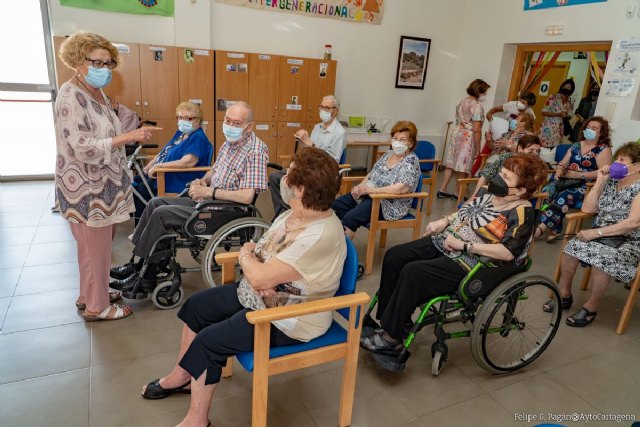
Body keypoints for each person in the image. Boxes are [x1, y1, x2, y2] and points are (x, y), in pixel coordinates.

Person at [140, 148, 346, 427]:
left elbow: (258, 266)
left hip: (292, 318)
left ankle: (197, 421)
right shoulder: (292, 215)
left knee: (209, 342)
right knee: (196, 308)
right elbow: (260, 258)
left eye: (289, 176)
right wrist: (257, 269)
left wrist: (250, 262)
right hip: (262, 295)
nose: (282, 180)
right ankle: (182, 376)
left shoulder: (321, 234)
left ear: (300, 189)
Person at [360, 154, 548, 353]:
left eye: (506, 178)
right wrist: (444, 221)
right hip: (448, 241)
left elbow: (508, 252)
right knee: (395, 256)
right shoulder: (489, 193)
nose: (498, 179)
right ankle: (396, 320)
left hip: (473, 263)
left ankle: (391, 338)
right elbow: (464, 212)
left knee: (413, 272)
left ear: (521, 190)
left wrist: (464, 245)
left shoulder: (521, 213)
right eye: (501, 173)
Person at [55, 31, 161, 321]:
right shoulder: (71, 97)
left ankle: (90, 292)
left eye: (108, 64)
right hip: (87, 188)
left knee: (95, 248)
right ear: (78, 61)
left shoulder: (96, 93)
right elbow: (82, 147)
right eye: (97, 63)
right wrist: (128, 136)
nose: (104, 69)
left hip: (104, 186)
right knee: (94, 247)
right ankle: (97, 306)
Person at [109, 101, 268, 295]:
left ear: (249, 126)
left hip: (225, 210)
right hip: (208, 201)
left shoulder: (256, 151)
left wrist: (210, 192)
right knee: (154, 203)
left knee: (162, 214)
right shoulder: (230, 143)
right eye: (228, 121)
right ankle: (138, 264)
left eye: (237, 123)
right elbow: (215, 171)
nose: (230, 126)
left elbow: (246, 196)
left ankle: (146, 277)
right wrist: (202, 181)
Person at [545, 142, 640, 327]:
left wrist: (596, 232)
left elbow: (633, 223)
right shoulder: (612, 181)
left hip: (627, 240)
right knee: (571, 248)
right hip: (600, 234)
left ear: (637, 166)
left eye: (622, 160)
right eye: (616, 159)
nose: (616, 163)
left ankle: (591, 307)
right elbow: (588, 208)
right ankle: (564, 295)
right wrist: (599, 182)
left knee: (601, 259)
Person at [332, 120, 421, 239]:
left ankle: (342, 252)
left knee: (350, 218)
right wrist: (360, 187)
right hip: (369, 195)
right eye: (395, 138)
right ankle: (335, 239)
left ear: (411, 143)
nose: (397, 142)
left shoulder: (411, 160)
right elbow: (371, 174)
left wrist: (370, 191)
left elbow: (401, 189)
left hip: (389, 203)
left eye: (402, 140)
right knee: (336, 206)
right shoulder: (388, 154)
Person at [132, 101, 213, 223]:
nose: (183, 121)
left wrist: (160, 166)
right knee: (135, 185)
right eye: (180, 117)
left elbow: (188, 162)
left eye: (188, 118)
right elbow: (165, 150)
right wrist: (152, 163)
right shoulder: (181, 133)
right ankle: (143, 227)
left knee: (141, 190)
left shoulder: (198, 137)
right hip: (161, 172)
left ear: (198, 120)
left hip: (176, 178)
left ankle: (142, 227)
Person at [536, 116, 613, 242]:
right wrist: (560, 169)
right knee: (547, 191)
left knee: (563, 196)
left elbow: (603, 172)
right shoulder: (576, 145)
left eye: (594, 128)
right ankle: (556, 228)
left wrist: (579, 175)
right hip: (566, 180)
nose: (590, 129)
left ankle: (539, 229)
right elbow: (563, 163)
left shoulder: (603, 149)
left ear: (601, 132)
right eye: (588, 127)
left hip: (587, 187)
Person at [269, 95, 346, 218]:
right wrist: (302, 142)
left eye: (327, 108)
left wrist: (311, 143)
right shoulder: (317, 127)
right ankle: (283, 212)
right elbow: (309, 151)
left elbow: (332, 161)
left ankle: (293, 211)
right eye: (321, 107)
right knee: (274, 177)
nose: (322, 110)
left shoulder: (339, 132)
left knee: (289, 179)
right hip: (308, 167)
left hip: (321, 172)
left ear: (335, 111)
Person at [438, 79, 490, 199]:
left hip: (456, 132)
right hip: (467, 136)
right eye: (484, 92)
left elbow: (458, 118)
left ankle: (442, 189)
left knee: (451, 163)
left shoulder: (462, 101)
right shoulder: (477, 106)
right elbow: (476, 129)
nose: (485, 95)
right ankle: (457, 193)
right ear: (479, 91)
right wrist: (478, 148)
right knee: (464, 166)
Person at [470, 134, 542, 199]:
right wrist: (474, 196)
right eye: (531, 150)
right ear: (520, 149)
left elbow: (534, 191)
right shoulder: (503, 158)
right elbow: (485, 177)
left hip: (518, 200)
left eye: (537, 151)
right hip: (494, 195)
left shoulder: (536, 167)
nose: (535, 154)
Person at [539, 79, 575, 149]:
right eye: (565, 86)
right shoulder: (553, 97)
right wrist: (558, 114)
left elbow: (570, 115)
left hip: (560, 128)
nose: (566, 89)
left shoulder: (571, 101)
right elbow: (543, 112)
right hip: (548, 127)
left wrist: (566, 116)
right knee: (544, 147)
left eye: (569, 88)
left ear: (571, 90)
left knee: (555, 149)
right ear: (562, 87)